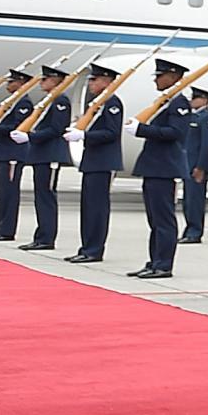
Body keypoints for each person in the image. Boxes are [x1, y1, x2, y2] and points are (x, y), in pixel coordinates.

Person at [126, 59, 192, 280]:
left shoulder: (179, 103)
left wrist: (142, 130)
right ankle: (154, 261)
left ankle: (164, 264)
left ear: (174, 77)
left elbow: (175, 132)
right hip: (154, 167)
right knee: (154, 219)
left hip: (165, 167)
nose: (156, 79)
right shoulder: (165, 102)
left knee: (164, 220)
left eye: (160, 75)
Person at [63, 63, 124, 264]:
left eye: (95, 79)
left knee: (97, 209)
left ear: (107, 81)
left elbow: (111, 133)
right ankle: (86, 247)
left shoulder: (112, 103)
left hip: (103, 162)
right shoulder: (97, 103)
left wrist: (84, 134)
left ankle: (95, 249)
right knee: (88, 208)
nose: (91, 83)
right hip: (92, 161)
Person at [16, 62, 74, 252]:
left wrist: (31, 136)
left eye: (45, 79)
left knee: (46, 197)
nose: (41, 82)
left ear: (56, 80)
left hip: (51, 154)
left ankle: (46, 238)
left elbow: (56, 129)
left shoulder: (60, 101)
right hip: (41, 154)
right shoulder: (50, 100)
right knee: (40, 196)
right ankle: (41, 235)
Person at [0, 67, 36, 243]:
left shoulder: (23, 104)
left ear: (22, 84)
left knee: (10, 193)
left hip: (13, 153)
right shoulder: (12, 102)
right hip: (3, 152)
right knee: (3, 193)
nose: (8, 84)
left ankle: (7, 230)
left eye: (12, 82)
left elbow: (17, 127)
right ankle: (1, 228)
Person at [179, 88, 208, 245]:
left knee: (195, 201)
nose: (192, 101)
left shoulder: (207, 118)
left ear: (205, 100)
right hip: (188, 164)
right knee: (188, 201)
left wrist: (200, 167)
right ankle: (189, 229)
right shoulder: (192, 117)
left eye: (195, 98)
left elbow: (206, 145)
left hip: (197, 166)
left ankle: (195, 232)